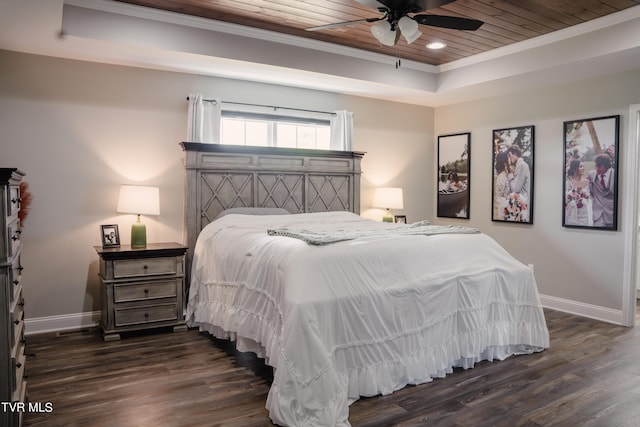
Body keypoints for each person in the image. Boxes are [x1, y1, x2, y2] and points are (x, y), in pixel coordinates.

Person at [587, 153, 615, 228]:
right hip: (597, 214)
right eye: (596, 166)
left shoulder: (615, 175)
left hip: (612, 213)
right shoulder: (591, 174)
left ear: (606, 166)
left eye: (599, 166)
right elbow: (587, 189)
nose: (596, 168)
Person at [564, 160, 592, 226]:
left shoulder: (587, 182)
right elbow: (565, 202)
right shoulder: (568, 184)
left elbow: (592, 198)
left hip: (586, 214)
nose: (583, 168)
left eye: (583, 166)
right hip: (573, 215)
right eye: (581, 166)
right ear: (574, 168)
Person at [494, 151, 511, 219]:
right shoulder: (501, 178)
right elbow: (499, 197)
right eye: (508, 157)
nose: (510, 158)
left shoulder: (506, 175)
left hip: (508, 209)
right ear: (505, 163)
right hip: (504, 211)